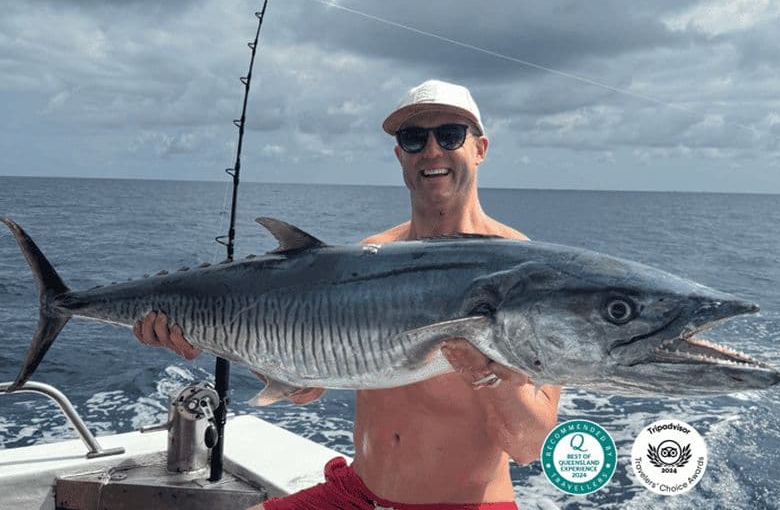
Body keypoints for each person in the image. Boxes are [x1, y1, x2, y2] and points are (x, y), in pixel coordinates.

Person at [134, 79, 561, 509]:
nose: (432, 151)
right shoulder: (371, 255)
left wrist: (487, 373)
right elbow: (317, 378)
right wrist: (290, 377)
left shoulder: (524, 278)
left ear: (480, 149)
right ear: (400, 156)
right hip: (356, 494)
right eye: (414, 139)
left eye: (450, 134)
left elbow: (529, 445)